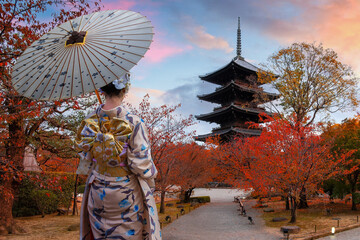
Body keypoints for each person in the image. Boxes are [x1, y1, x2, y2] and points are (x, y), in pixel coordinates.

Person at [76, 73, 161, 240]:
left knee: (100, 234)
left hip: (97, 188)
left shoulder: (89, 120)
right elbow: (141, 165)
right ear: (124, 89)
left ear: (101, 90)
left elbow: (85, 155)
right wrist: (151, 181)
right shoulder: (134, 121)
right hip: (125, 191)